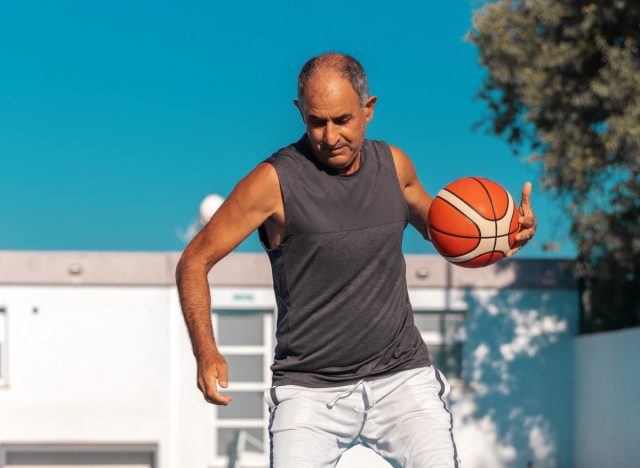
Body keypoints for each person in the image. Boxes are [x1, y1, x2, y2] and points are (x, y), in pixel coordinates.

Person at [175, 52, 537, 468]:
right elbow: (194, 261)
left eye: (342, 120)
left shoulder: (394, 168)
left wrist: (504, 235)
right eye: (316, 122)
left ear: (368, 109)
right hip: (310, 392)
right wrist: (206, 352)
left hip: (402, 379)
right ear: (300, 112)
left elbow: (447, 234)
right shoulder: (272, 183)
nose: (329, 136)